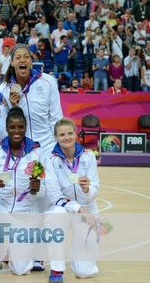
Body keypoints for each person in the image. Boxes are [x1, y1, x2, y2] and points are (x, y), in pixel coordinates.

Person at [0, 107, 44, 282]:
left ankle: (15, 248)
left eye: (20, 127)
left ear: (25, 128)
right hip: (1, 207)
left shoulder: (37, 153)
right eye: (12, 127)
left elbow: (42, 194)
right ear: (6, 128)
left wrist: (36, 188)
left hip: (24, 211)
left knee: (20, 270)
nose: (16, 131)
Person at [45, 118, 100, 282]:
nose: (66, 137)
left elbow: (95, 191)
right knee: (54, 216)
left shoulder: (88, 156)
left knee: (84, 272)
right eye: (61, 134)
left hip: (87, 210)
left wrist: (86, 189)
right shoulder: (51, 161)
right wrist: (77, 208)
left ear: (76, 134)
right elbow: (54, 196)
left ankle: (79, 250)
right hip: (66, 210)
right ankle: (56, 270)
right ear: (56, 137)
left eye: (70, 133)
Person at [0, 44, 63, 155]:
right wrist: (14, 108)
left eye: (26, 57)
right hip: (21, 147)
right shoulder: (3, 89)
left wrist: (55, 142)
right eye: (18, 58)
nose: (22, 60)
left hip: (48, 145)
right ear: (12, 63)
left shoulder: (48, 81)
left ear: (31, 62)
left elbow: (56, 116)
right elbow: (4, 124)